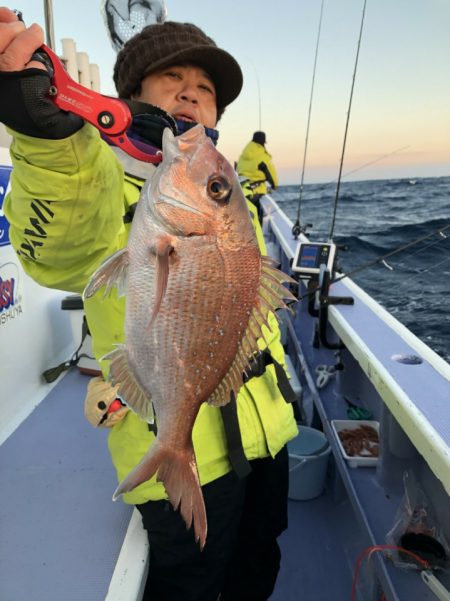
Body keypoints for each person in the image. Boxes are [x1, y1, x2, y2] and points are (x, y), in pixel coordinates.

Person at [0, 8, 298, 601]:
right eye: (173, 78)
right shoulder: (109, 186)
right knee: (188, 581)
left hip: (270, 436)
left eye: (207, 89)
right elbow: (64, 246)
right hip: (180, 443)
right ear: (131, 95)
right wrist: (52, 141)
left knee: (260, 558)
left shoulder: (226, 200)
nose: (192, 92)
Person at [236, 131, 279, 223]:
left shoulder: (243, 156)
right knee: (255, 222)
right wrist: (275, 185)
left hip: (242, 191)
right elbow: (272, 175)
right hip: (256, 193)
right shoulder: (263, 157)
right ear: (263, 143)